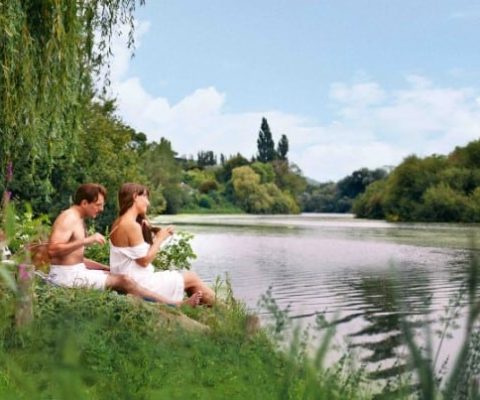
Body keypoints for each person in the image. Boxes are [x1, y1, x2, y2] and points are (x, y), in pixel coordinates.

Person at [47, 183, 192, 305]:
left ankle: (168, 302)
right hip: (65, 278)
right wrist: (86, 240)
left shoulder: (78, 219)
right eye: (98, 205)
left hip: (74, 272)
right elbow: (52, 251)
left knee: (115, 275)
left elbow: (75, 259)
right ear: (85, 203)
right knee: (124, 281)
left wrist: (105, 268)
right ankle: (173, 305)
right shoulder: (68, 218)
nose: (101, 209)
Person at [109, 183, 215, 306]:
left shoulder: (119, 222)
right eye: (145, 197)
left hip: (133, 279)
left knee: (190, 281)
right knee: (191, 278)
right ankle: (223, 310)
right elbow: (144, 261)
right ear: (135, 197)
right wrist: (160, 238)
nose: (148, 203)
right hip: (139, 284)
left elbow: (137, 255)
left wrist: (151, 232)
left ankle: (214, 309)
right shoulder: (130, 225)